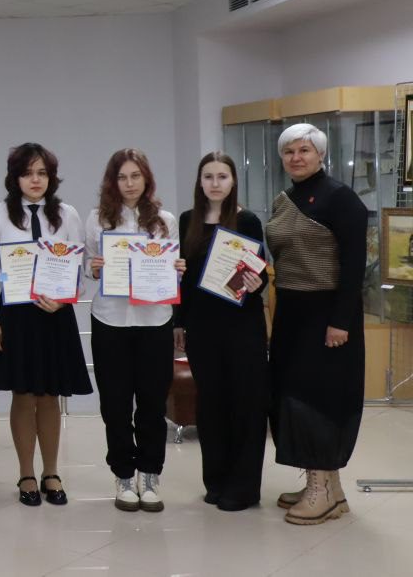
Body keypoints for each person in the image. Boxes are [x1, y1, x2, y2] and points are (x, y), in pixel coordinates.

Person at [0, 143, 91, 508]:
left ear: (51, 177)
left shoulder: (67, 214)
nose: (35, 180)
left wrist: (66, 297)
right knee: (23, 395)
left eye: (42, 173)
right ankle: (26, 473)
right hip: (14, 316)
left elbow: (79, 268)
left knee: (50, 395)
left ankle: (51, 472)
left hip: (55, 315)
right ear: (15, 178)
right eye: (27, 173)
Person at [265, 124, 367, 525]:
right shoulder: (285, 199)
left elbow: (354, 265)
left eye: (304, 150)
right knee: (292, 395)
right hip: (291, 311)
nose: (296, 158)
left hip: (328, 315)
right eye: (289, 151)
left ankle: (320, 489)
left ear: (320, 154)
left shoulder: (341, 198)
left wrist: (340, 320)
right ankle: (328, 488)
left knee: (320, 399)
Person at [84, 150, 184, 513]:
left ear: (146, 179)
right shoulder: (97, 218)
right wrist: (95, 267)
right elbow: (87, 266)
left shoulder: (165, 221)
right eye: (122, 177)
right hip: (109, 320)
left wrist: (177, 269)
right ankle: (124, 475)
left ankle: (150, 474)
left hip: (154, 321)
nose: (129, 184)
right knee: (115, 404)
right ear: (113, 181)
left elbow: (171, 272)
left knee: (152, 404)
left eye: (135, 176)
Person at [176, 151, 267, 512]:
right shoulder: (187, 221)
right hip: (201, 328)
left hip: (242, 327)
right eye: (208, 177)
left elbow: (258, 276)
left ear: (233, 182)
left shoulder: (248, 221)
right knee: (211, 405)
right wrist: (178, 322)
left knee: (245, 404)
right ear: (200, 182)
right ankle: (216, 481)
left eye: (222, 177)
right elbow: (183, 280)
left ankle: (243, 488)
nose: (215, 183)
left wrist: (257, 282)